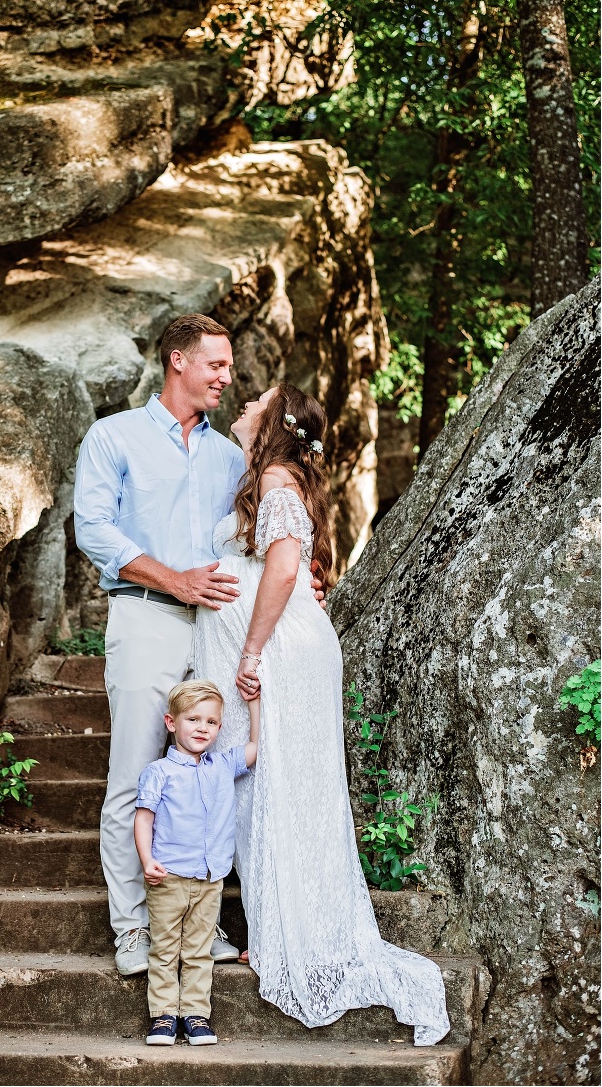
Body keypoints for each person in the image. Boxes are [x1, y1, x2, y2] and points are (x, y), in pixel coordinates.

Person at [194, 383, 451, 1045]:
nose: (244, 400)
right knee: (275, 784)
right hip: (279, 647)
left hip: (274, 652)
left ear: (275, 424)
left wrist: (250, 651)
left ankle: (293, 932)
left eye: (258, 399)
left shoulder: (277, 479)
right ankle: (283, 921)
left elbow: (283, 568)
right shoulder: (268, 475)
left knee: (275, 784)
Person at [74, 313, 246, 974]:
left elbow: (252, 539)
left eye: (228, 367)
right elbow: (93, 528)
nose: (226, 377)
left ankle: (200, 927)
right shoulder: (113, 437)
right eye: (216, 365)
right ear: (178, 361)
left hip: (214, 629)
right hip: (144, 616)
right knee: (137, 778)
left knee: (208, 780)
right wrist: (173, 576)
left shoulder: (230, 457)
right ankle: (133, 933)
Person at [134, 680, 259, 1046]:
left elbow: (254, 747)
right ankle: (163, 1017)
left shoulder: (222, 765)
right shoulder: (159, 772)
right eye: (193, 719)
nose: (202, 728)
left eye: (211, 722)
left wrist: (254, 704)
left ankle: (196, 1016)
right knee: (165, 947)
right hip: (168, 876)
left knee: (198, 950)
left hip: (210, 877)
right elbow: (144, 819)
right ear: (172, 723)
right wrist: (147, 860)